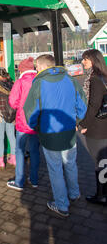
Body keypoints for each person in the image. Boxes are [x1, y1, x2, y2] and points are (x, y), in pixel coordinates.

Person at [24, 55, 87, 217]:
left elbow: (30, 111)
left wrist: (36, 127)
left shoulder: (38, 83)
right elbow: (82, 104)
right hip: (69, 130)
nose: (36, 69)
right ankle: (74, 193)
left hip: (49, 132)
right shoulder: (70, 80)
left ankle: (61, 204)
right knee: (71, 164)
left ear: (43, 66)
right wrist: (76, 120)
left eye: (37, 66)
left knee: (55, 168)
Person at [79, 49, 107, 205]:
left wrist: (84, 124)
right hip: (104, 124)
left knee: (100, 162)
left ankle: (101, 195)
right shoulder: (104, 76)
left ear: (94, 61)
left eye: (86, 59)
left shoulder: (94, 79)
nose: (83, 62)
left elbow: (94, 105)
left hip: (96, 127)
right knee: (104, 161)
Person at [7, 57, 39, 191]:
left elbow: (13, 102)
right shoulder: (40, 80)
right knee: (35, 151)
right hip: (37, 122)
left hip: (23, 122)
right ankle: (34, 179)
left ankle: (19, 181)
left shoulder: (20, 82)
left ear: (22, 70)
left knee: (19, 151)